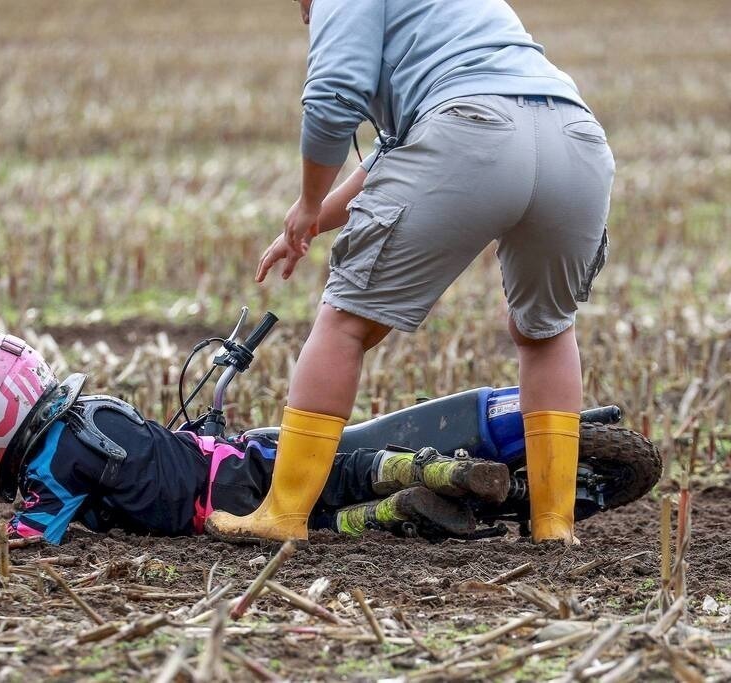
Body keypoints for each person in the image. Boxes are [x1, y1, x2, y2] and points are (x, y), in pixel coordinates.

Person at [205, 0, 614, 546]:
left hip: (471, 131)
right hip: (577, 139)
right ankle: (554, 526)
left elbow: (333, 94)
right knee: (546, 331)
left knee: (346, 323)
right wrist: (310, 222)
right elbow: (398, 145)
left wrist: (307, 198)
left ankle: (282, 515)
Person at [0, 332, 512, 544]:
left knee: (321, 524)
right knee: (339, 473)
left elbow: (27, 539)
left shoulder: (52, 463)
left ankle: (394, 512)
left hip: (218, 507)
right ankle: (435, 471)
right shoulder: (96, 412)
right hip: (231, 460)